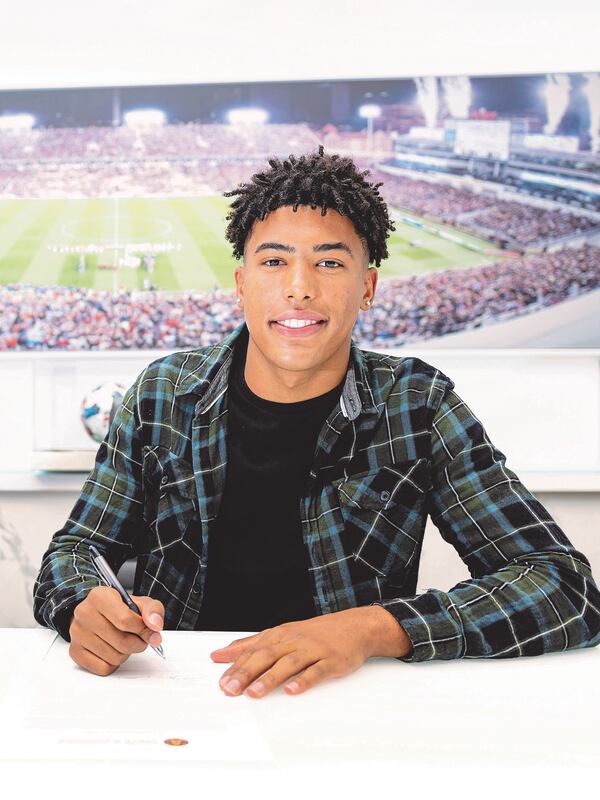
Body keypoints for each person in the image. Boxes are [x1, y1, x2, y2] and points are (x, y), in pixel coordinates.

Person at [33, 146, 600, 699]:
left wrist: (372, 629)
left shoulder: (416, 404)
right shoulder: (163, 393)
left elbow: (566, 590)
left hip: (347, 703)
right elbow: (74, 553)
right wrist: (84, 603)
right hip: (182, 697)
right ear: (241, 285)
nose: (299, 286)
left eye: (329, 262)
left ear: (368, 288)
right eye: (274, 261)